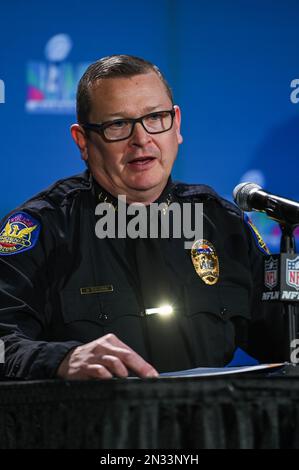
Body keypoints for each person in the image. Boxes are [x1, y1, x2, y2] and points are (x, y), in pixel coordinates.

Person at [0, 54, 284, 380]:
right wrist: (62, 359)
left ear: (176, 125)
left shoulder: (223, 224)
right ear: (83, 141)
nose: (142, 139)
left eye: (155, 117)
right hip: (95, 428)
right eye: (118, 124)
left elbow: (287, 340)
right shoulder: (45, 230)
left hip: (205, 427)